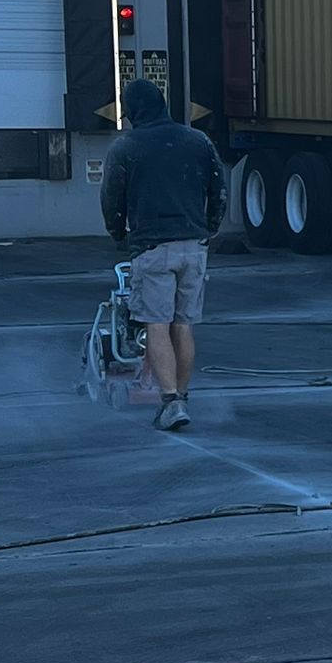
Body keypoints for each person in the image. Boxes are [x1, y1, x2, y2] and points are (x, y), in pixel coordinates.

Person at [100, 77, 228, 431]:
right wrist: (209, 228)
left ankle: (169, 402)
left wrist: (117, 233)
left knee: (156, 323)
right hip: (194, 247)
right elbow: (219, 190)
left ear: (134, 110)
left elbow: (112, 198)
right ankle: (183, 397)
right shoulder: (198, 141)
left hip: (152, 248)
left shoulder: (126, 148)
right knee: (183, 325)